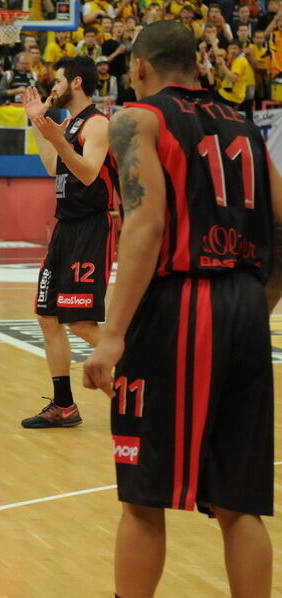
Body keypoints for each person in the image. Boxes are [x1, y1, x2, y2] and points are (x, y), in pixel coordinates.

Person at [83, 20, 277, 598]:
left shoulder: (137, 118)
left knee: (144, 494)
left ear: (139, 67)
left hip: (183, 304)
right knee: (238, 500)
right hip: (242, 305)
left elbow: (148, 222)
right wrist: (256, 303)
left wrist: (112, 334)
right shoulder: (245, 122)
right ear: (196, 65)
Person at [19, 55, 116, 429]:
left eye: (57, 80)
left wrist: (59, 140)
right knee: (47, 317)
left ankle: (149, 373)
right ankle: (64, 406)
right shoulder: (69, 124)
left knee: (81, 323)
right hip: (65, 228)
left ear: (76, 82)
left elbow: (90, 174)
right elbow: (51, 166)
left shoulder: (96, 123)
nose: (52, 87)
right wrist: (39, 127)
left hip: (90, 229)